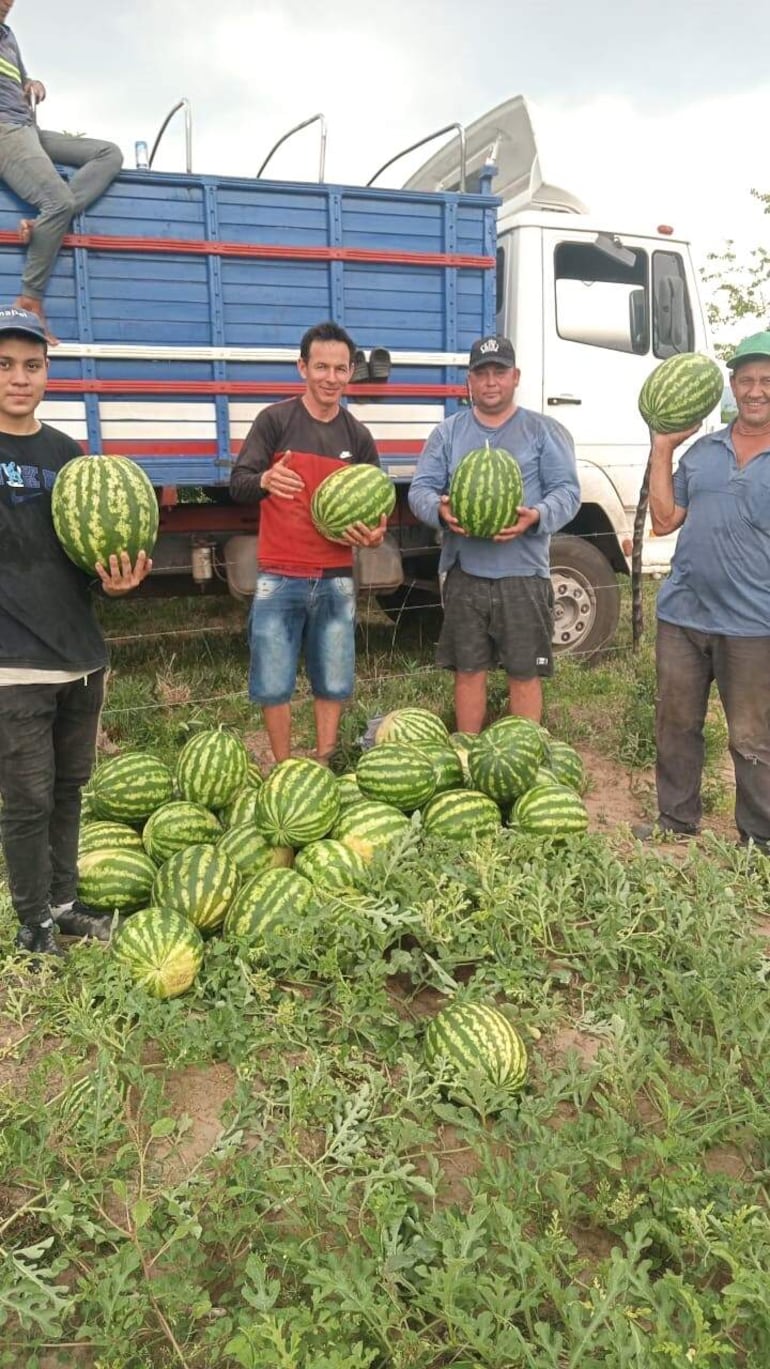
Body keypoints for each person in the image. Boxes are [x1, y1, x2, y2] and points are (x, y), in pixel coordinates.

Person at [0, 306, 151, 959]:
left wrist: (113, 581)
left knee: (67, 787)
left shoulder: (69, 457)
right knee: (27, 795)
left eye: (31, 365)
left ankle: (63, 903)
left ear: (46, 372)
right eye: (5, 365)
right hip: (13, 662)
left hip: (79, 656)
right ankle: (32, 918)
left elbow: (85, 557)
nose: (17, 378)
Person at [230, 320, 387, 765]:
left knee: (333, 678)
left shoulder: (357, 437)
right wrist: (263, 478)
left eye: (340, 369)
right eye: (321, 367)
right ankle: (282, 767)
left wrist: (375, 537)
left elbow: (378, 512)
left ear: (350, 371)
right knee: (273, 680)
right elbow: (237, 483)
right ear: (303, 367)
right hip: (279, 574)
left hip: (336, 576)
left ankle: (325, 760)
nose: (331, 378)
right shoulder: (275, 421)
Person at [408, 335, 580, 731]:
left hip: (524, 574)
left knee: (524, 672)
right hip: (466, 573)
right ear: (469, 379)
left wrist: (534, 516)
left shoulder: (542, 431)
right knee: (468, 670)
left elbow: (568, 493)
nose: (490, 382)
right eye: (481, 373)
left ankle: (522, 757)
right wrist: (440, 510)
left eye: (499, 373)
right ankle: (469, 752)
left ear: (515, 376)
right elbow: (420, 489)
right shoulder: (448, 433)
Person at [641, 330, 770, 848]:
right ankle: (675, 822)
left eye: (765, 381)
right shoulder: (702, 451)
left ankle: (759, 839)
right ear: (732, 388)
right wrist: (662, 447)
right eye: (746, 381)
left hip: (754, 624)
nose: (755, 390)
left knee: (753, 737)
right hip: (684, 615)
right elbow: (665, 518)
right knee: (675, 725)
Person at [0, 0, 123, 344]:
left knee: (108, 154)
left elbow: (19, 79)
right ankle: (30, 300)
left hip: (27, 128)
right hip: (4, 132)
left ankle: (44, 225)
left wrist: (31, 84)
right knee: (58, 202)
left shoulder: (8, 37)